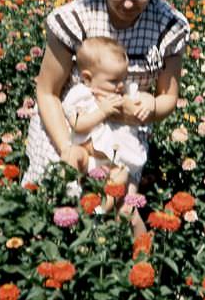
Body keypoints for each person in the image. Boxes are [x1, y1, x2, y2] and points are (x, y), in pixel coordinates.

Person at [23, 0, 190, 233]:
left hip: (122, 132)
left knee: (121, 204)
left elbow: (168, 98)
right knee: (59, 196)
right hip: (66, 122)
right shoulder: (73, 18)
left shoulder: (169, 26)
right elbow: (48, 93)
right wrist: (68, 149)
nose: (128, 3)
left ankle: (134, 267)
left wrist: (149, 105)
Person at [61, 37, 148, 200]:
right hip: (86, 156)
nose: (121, 85)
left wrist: (136, 107)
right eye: (114, 81)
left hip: (111, 162)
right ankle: (71, 189)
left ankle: (101, 210)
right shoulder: (81, 95)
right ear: (87, 78)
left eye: (123, 78)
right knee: (70, 154)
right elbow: (77, 124)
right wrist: (102, 112)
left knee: (121, 177)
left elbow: (137, 108)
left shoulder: (121, 94)